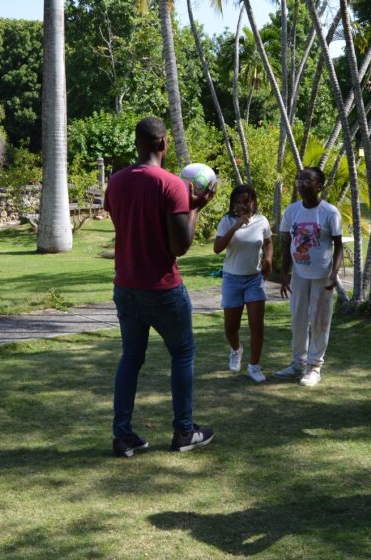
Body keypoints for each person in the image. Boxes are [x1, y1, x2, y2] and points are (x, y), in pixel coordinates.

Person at [105, 116, 217, 457]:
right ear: (163, 143)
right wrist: (196, 208)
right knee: (182, 353)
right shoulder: (172, 185)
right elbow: (179, 246)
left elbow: (126, 226)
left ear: (137, 142)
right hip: (163, 288)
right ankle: (184, 431)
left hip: (126, 285)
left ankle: (122, 435)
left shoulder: (116, 182)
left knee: (131, 358)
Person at [276, 167, 343, 388]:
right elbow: (287, 244)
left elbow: (338, 246)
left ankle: (314, 367)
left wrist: (334, 273)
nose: (302, 182)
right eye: (300, 178)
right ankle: (298, 362)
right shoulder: (292, 211)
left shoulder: (329, 212)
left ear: (319, 186)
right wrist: (284, 274)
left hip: (322, 276)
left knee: (319, 320)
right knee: (298, 319)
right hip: (299, 274)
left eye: (308, 179)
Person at [213, 184, 274, 383]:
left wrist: (268, 259)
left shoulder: (262, 221)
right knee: (231, 327)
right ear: (233, 204)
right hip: (232, 279)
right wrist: (237, 225)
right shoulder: (226, 221)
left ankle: (254, 366)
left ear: (254, 202)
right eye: (238, 202)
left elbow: (268, 242)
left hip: (254, 279)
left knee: (257, 326)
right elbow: (217, 248)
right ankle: (236, 349)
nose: (243, 205)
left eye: (246, 201)